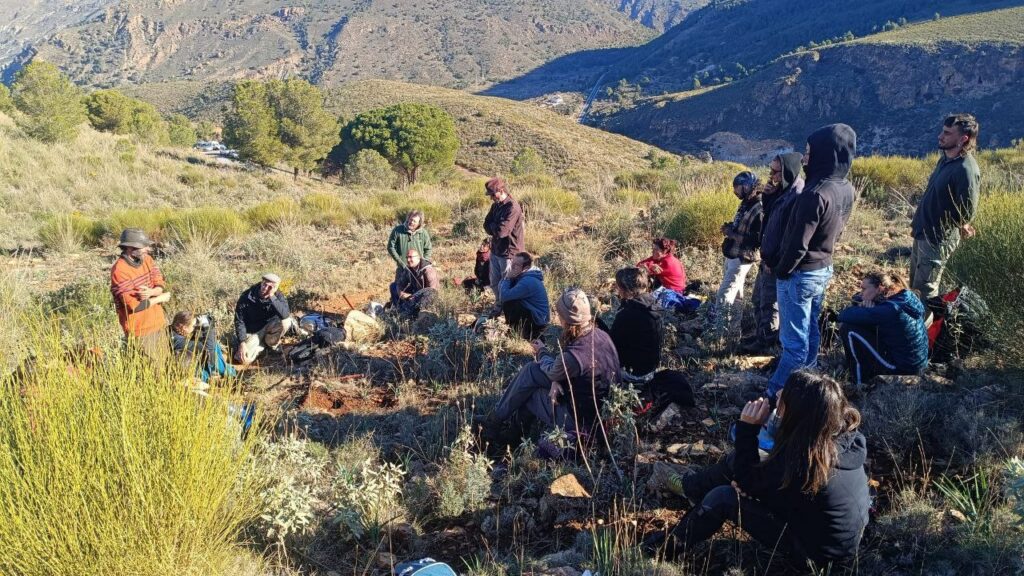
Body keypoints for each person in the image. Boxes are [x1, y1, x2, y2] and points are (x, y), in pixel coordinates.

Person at [649, 370, 870, 567]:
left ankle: (661, 550)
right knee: (738, 461)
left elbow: (748, 481)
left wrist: (747, 428)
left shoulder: (803, 462)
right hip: (828, 533)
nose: (778, 394)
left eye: (784, 397)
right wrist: (750, 483)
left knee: (723, 498)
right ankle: (691, 488)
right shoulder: (839, 437)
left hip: (816, 557)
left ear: (798, 414)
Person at [768, 124, 857, 399]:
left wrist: (781, 271)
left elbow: (797, 245)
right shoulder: (845, 187)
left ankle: (775, 398)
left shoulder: (814, 193)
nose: (805, 158)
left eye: (809, 152)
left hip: (800, 274)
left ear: (825, 153)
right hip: (822, 268)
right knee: (811, 332)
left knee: (793, 344)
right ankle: (809, 383)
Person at [482, 287, 621, 447]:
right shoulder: (602, 335)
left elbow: (555, 369)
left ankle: (507, 435)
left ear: (565, 319)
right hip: (600, 408)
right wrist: (557, 380)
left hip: (582, 421)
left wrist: (542, 352)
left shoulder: (573, 356)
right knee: (531, 370)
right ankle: (498, 422)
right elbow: (562, 371)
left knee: (531, 393)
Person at [909, 113, 981, 300]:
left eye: (947, 133)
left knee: (925, 291)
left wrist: (958, 225)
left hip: (936, 239)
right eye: (942, 131)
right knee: (914, 287)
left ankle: (927, 320)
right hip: (923, 232)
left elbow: (966, 212)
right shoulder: (945, 160)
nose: (940, 136)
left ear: (963, 139)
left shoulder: (966, 169)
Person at [741, 152, 805, 353]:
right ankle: (762, 335)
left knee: (769, 303)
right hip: (768, 257)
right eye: (771, 170)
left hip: (775, 261)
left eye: (775, 171)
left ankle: (767, 342)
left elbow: (789, 236)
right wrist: (768, 197)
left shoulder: (796, 196)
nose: (771, 175)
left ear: (787, 171)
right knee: (758, 299)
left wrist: (773, 260)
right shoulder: (783, 191)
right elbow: (769, 220)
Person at [838, 271, 928, 386]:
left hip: (903, 369)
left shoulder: (890, 309)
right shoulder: (904, 297)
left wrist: (864, 309)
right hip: (915, 364)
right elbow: (856, 298)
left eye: (864, 289)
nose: (861, 293)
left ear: (880, 288)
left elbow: (843, 315)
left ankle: (859, 383)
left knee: (848, 329)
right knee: (862, 324)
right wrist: (864, 306)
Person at [110, 228, 172, 361]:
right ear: (130, 248)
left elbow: (160, 283)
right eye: (144, 246)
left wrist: (152, 292)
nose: (147, 249)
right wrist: (159, 298)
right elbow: (134, 306)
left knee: (166, 362)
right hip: (141, 330)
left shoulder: (147, 259)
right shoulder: (119, 270)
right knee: (154, 367)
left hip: (158, 322)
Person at [711, 171, 763, 324]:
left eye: (737, 187)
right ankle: (733, 329)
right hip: (734, 253)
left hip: (742, 256)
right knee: (737, 295)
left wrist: (731, 234)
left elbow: (756, 239)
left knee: (725, 293)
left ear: (746, 186)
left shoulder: (759, 207)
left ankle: (719, 329)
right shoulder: (747, 202)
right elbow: (743, 227)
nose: (735, 191)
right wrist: (730, 228)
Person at [599, 267, 663, 382]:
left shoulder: (628, 313)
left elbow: (611, 345)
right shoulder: (651, 303)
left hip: (633, 374)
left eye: (618, 286)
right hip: (650, 370)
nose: (616, 289)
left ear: (625, 289)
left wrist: (599, 326)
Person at [233, 273, 301, 364]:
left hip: (270, 326)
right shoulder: (247, 296)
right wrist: (242, 342)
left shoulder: (278, 296)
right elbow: (239, 321)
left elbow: (285, 315)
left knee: (286, 321)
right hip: (253, 331)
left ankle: (270, 344)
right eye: (264, 284)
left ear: (275, 288)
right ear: (261, 282)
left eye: (270, 287)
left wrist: (272, 296)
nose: (265, 288)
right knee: (243, 359)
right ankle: (263, 346)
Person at [482, 178, 525, 300]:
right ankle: (499, 304)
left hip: (509, 253)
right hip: (496, 250)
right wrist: (494, 226)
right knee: (494, 283)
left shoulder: (512, 207)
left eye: (492, 194)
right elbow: (485, 224)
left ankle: (508, 307)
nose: (491, 198)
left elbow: (502, 232)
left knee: (508, 284)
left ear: (501, 191)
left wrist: (493, 226)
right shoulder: (495, 206)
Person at [169, 311, 237, 383]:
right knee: (212, 347)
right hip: (193, 371)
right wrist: (207, 327)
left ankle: (225, 370)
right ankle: (227, 372)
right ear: (184, 328)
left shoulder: (173, 331)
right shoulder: (180, 342)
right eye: (193, 326)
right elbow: (209, 350)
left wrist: (202, 328)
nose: (195, 327)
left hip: (193, 362)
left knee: (212, 343)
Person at [498, 251, 549, 340]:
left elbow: (503, 296)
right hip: (533, 313)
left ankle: (520, 333)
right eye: (512, 263)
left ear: (526, 268)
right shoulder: (522, 275)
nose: (512, 267)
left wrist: (507, 278)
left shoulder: (528, 281)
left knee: (510, 302)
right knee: (511, 301)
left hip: (538, 321)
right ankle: (516, 330)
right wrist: (507, 278)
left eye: (516, 265)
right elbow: (501, 288)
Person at [389, 248, 440, 317]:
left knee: (429, 294)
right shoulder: (409, 269)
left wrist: (417, 299)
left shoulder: (428, 270)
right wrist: (402, 294)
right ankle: (397, 310)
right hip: (414, 295)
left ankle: (416, 314)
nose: (408, 260)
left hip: (425, 298)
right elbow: (399, 284)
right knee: (393, 286)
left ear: (418, 258)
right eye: (407, 257)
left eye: (410, 257)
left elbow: (433, 291)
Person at [387, 210, 433, 277]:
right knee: (399, 284)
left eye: (414, 221)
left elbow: (428, 249)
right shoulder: (397, 230)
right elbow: (390, 247)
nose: (411, 222)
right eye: (410, 219)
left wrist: (423, 263)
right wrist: (400, 262)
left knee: (419, 284)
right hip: (402, 268)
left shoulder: (423, 233)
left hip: (418, 270)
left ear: (419, 223)